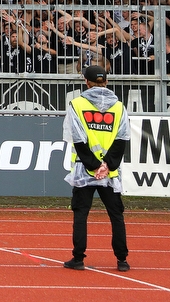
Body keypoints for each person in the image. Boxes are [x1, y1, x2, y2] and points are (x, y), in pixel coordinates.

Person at [63, 65, 130, 272]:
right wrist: (107, 165)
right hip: (110, 171)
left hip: (85, 169)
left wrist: (94, 166)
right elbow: (122, 138)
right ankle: (122, 260)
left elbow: (77, 138)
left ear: (86, 82)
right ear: (106, 82)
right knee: (116, 214)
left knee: (81, 213)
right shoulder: (119, 106)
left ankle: (78, 258)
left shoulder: (78, 104)